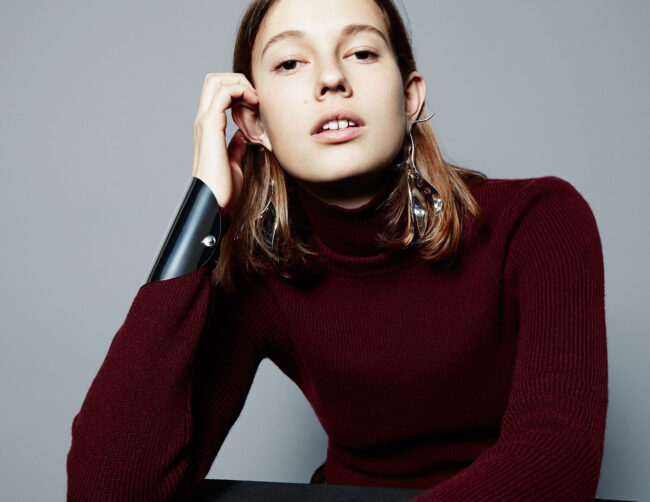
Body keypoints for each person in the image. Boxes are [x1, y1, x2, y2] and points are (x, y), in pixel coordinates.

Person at [66, 0, 608, 500]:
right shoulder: (263, 273)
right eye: (290, 63)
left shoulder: (537, 220)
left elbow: (557, 454)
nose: (330, 78)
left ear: (410, 98)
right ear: (254, 122)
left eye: (362, 53)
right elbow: (107, 491)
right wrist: (204, 207)